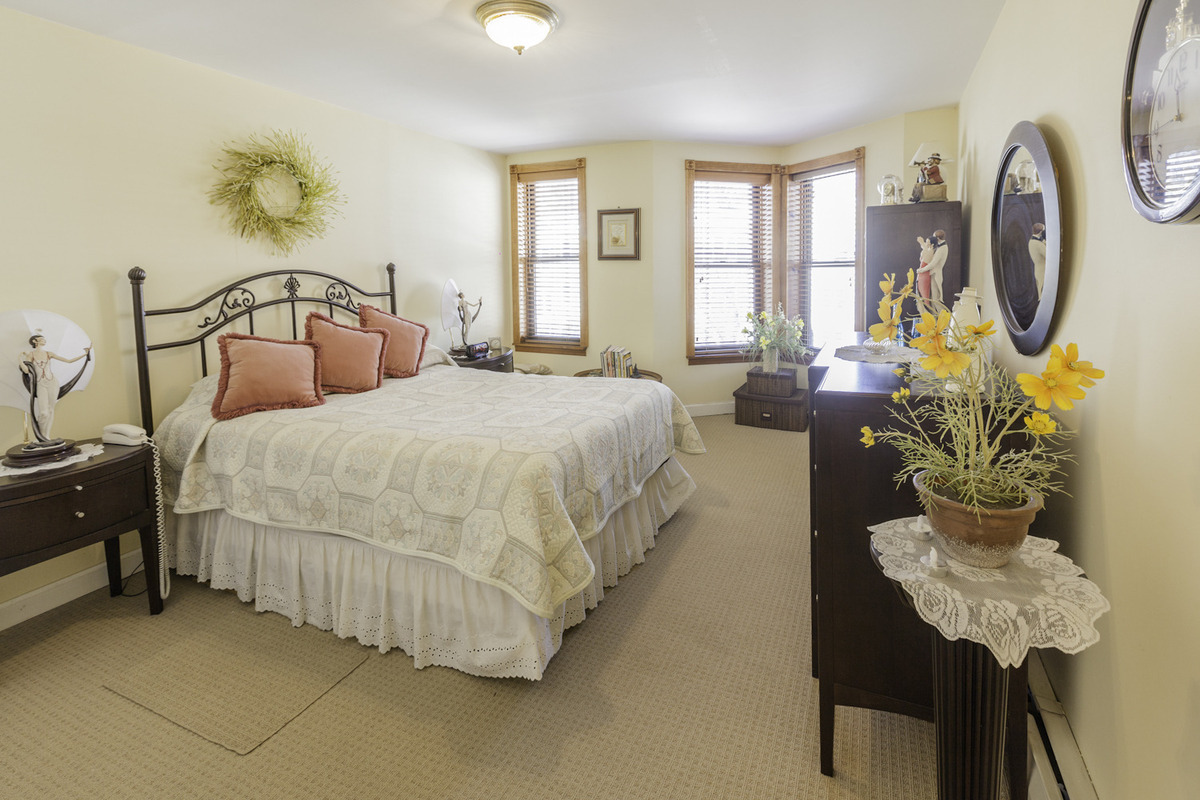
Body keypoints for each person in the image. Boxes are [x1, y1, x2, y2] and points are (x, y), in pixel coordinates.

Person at [19, 333, 91, 443]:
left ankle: (46, 436)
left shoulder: (49, 353)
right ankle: (40, 436)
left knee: (51, 410)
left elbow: (69, 361)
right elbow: (26, 370)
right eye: (41, 339)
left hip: (52, 383)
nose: (44, 340)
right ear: (35, 341)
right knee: (43, 413)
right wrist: (20, 358)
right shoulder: (31, 355)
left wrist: (85, 354)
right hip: (40, 384)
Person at [915, 230, 949, 313]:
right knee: (931, 299)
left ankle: (943, 317)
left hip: (935, 274)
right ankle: (934, 318)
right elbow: (928, 247)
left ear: (938, 238)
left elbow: (933, 264)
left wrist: (921, 270)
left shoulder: (942, 249)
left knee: (935, 300)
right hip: (931, 274)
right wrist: (922, 242)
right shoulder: (937, 246)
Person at [1028, 223, 1047, 298]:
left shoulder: (1031, 242)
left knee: (1040, 289)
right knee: (1043, 290)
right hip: (1043, 269)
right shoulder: (1037, 244)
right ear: (1040, 232)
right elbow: (1048, 254)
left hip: (1037, 269)